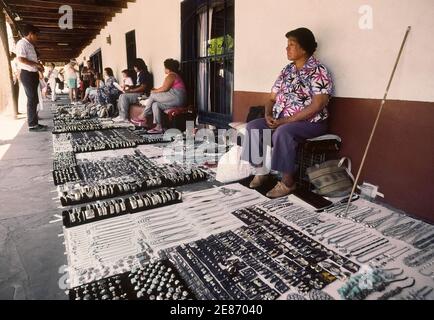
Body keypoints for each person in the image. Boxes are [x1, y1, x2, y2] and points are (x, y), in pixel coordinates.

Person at [241, 27, 334, 198]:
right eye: (287, 44)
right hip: (281, 119)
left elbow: (318, 105)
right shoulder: (287, 71)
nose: (287, 48)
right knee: (253, 126)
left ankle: (287, 183)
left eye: (291, 44)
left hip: (311, 123)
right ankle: (261, 171)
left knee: (283, 132)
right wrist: (268, 114)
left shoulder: (319, 71)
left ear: (304, 48)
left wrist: (286, 121)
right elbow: (271, 99)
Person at [138, 59, 187, 133]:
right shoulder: (173, 75)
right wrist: (156, 90)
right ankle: (159, 127)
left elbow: (165, 88)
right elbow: (164, 88)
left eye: (165, 67)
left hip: (177, 98)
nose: (164, 69)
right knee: (155, 104)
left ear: (168, 68)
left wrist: (153, 91)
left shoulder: (172, 75)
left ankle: (144, 115)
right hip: (175, 99)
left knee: (153, 95)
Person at [15, 24, 47, 132]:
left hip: (33, 74)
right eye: (36, 35)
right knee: (32, 98)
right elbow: (21, 59)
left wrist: (38, 67)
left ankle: (35, 122)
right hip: (27, 74)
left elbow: (31, 61)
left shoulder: (30, 45)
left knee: (35, 99)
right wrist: (37, 65)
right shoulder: (22, 43)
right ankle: (32, 125)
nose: (37, 37)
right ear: (30, 34)